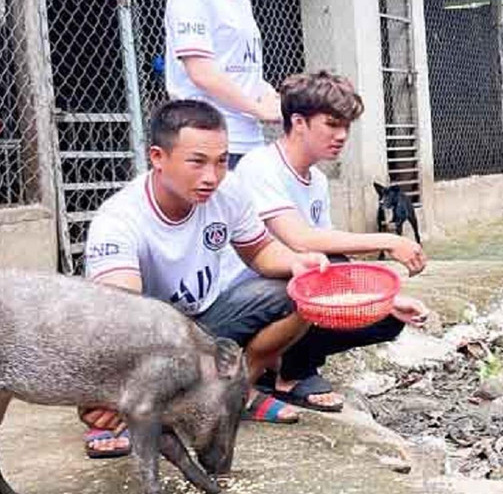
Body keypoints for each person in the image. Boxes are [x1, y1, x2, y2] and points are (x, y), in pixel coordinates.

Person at [79, 100, 337, 458]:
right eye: (197, 162)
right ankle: (144, 404)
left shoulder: (228, 192)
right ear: (157, 157)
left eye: (220, 161)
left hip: (207, 324)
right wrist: (124, 386)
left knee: (298, 291)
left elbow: (261, 251)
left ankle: (237, 391)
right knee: (107, 378)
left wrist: (298, 263)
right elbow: (122, 317)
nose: (211, 176)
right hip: (148, 338)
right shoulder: (119, 220)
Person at [220, 71, 430, 413]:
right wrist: (388, 241)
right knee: (322, 271)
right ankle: (292, 372)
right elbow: (300, 239)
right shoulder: (261, 167)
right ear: (299, 122)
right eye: (332, 124)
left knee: (387, 313)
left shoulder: (315, 179)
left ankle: (283, 363)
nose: (342, 135)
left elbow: (329, 247)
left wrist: (389, 298)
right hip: (247, 295)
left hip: (289, 284)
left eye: (346, 126)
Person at [164, 0, 280, 168]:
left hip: (247, 138)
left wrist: (269, 94)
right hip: (207, 139)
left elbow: (241, 68)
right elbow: (202, 73)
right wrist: (258, 109)